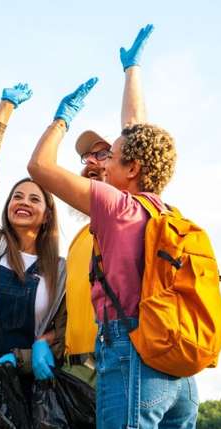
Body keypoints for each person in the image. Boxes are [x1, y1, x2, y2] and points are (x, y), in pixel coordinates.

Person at [27, 25, 199, 429]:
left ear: (132, 171)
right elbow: (138, 130)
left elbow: (38, 166)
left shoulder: (117, 208)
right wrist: (132, 71)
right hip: (179, 370)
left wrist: (63, 118)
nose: (104, 163)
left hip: (131, 357)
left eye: (112, 158)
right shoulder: (164, 211)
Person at [0, 82, 67, 393]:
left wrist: (33, 353)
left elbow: (64, 331)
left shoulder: (60, 271)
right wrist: (5, 107)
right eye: (17, 196)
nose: (23, 202)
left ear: (47, 215)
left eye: (35, 199)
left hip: (30, 383)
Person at [63, 25, 151, 388]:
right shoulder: (79, 239)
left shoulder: (129, 213)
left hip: (117, 360)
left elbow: (137, 134)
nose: (91, 163)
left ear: (125, 166)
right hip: (71, 371)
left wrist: (132, 72)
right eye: (85, 157)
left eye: (102, 154)